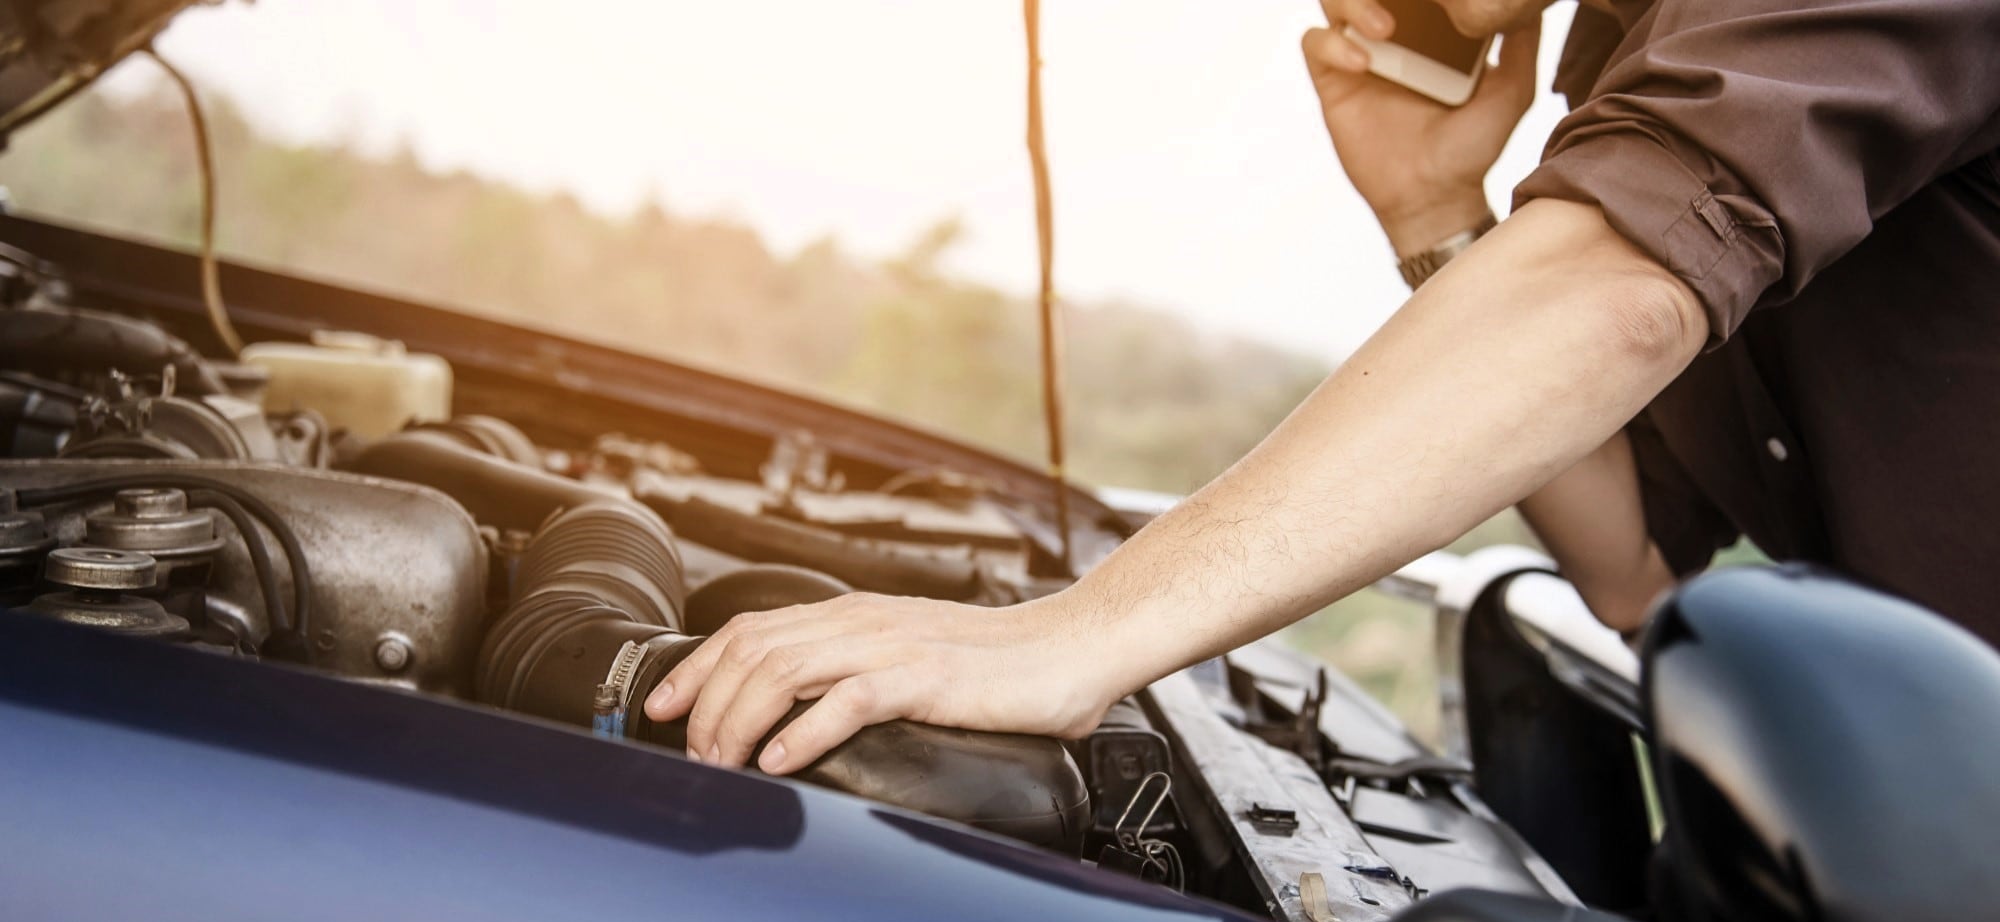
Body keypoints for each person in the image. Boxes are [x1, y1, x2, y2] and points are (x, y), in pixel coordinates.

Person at [646, 0, 2000, 777]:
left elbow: (1624, 291)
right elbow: (1638, 564)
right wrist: (1433, 206)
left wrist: (1080, 634)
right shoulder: (1646, 42)